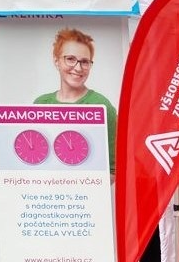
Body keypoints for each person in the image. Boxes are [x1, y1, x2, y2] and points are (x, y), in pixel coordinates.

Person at [34, 27, 117, 172]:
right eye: (70, 59)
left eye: (84, 62)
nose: (78, 68)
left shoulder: (101, 106)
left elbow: (113, 169)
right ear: (57, 61)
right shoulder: (41, 104)